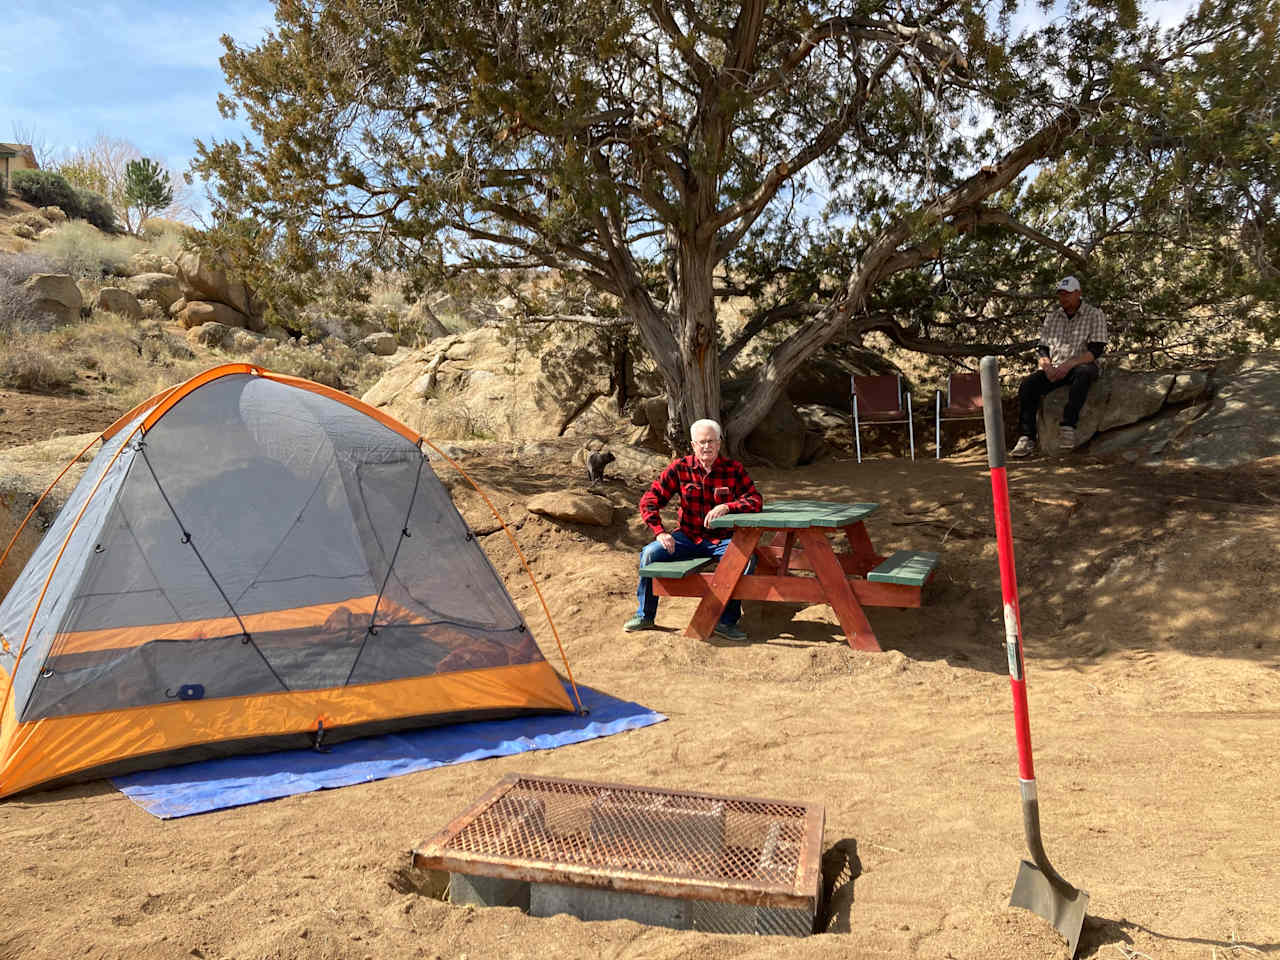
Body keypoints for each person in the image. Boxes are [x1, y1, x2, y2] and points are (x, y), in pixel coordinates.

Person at [623, 418, 763, 641]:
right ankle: (645, 615)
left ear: (719, 443)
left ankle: (727, 621)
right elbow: (649, 500)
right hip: (687, 538)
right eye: (702, 442)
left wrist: (728, 506)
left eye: (711, 441)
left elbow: (755, 500)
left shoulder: (733, 469)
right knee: (650, 553)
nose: (707, 446)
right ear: (693, 445)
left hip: (723, 540)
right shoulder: (679, 468)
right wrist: (660, 532)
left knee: (746, 560)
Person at [1010, 276, 1108, 457]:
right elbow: (1042, 349)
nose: (1063, 299)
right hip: (1054, 368)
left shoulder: (1095, 315)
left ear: (1078, 294)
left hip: (1081, 364)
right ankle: (1027, 436)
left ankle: (1069, 425)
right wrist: (1047, 367)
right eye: (1061, 295)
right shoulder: (1052, 317)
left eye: (1068, 294)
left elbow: (1095, 350)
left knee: (1083, 374)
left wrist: (1068, 365)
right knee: (1028, 385)